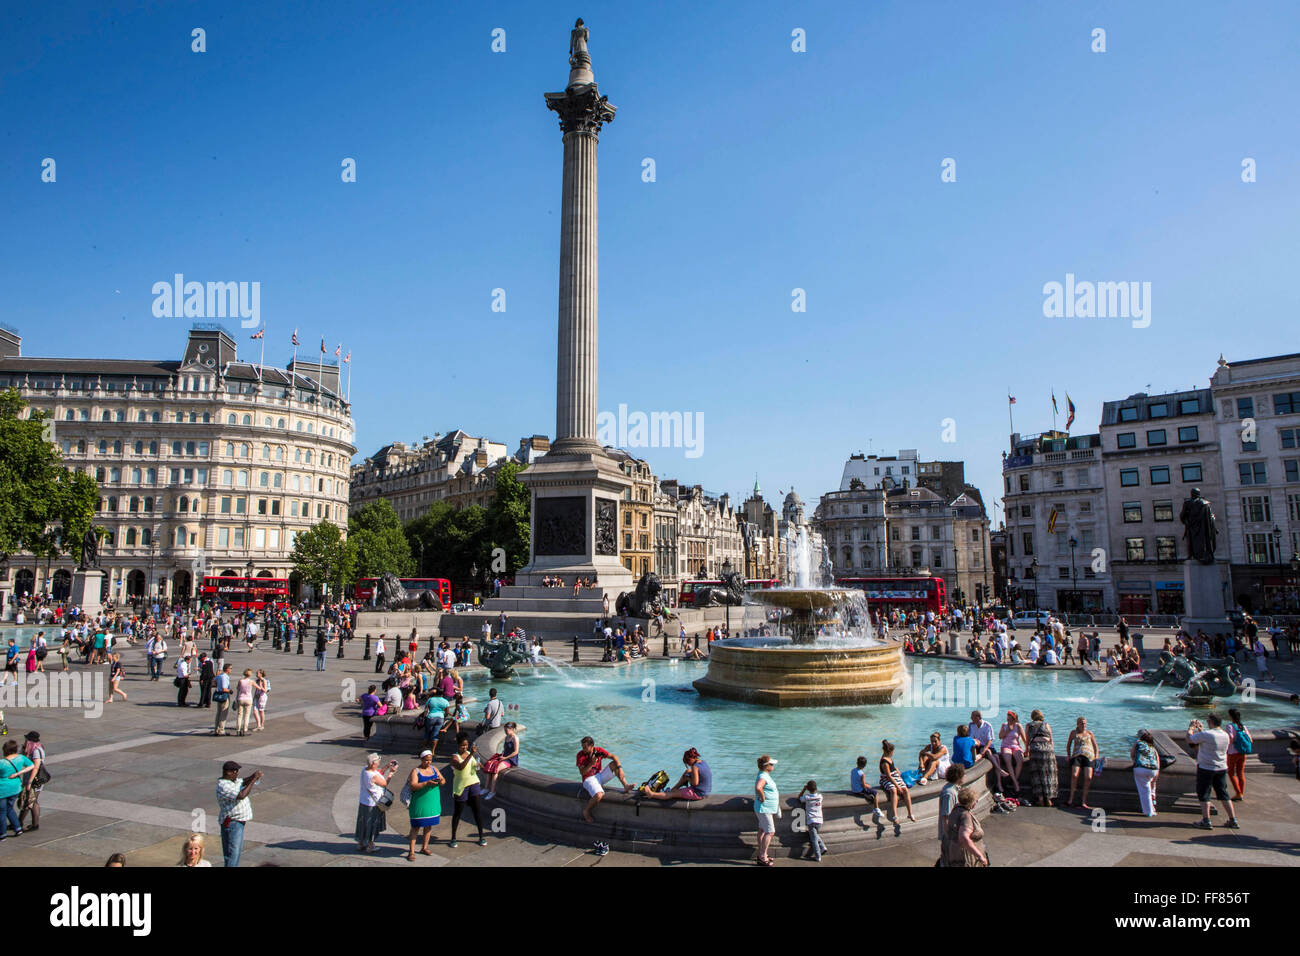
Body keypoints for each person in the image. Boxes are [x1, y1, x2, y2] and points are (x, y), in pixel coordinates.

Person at [1187, 715, 1239, 830]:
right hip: (1221, 768)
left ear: (1210, 721)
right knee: (1223, 794)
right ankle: (1233, 820)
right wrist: (1201, 730)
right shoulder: (1225, 735)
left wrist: (1190, 728)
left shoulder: (1207, 735)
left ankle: (1206, 820)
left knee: (1204, 794)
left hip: (1206, 768)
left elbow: (1189, 739)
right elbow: (1209, 740)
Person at [215, 761, 261, 867]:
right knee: (233, 854)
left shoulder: (232, 781)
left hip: (237, 822)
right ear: (228, 773)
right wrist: (254, 780)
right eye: (235, 772)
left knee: (233, 853)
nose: (237, 774)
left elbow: (242, 781)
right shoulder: (224, 786)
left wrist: (253, 776)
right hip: (232, 823)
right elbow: (241, 795)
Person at [577, 736, 633, 822]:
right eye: (582, 747)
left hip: (599, 776)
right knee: (599, 795)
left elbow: (614, 756)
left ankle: (625, 785)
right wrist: (591, 764)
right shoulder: (580, 755)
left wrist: (620, 768)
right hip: (588, 779)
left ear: (592, 746)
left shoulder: (598, 751)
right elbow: (582, 772)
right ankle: (586, 811)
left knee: (614, 764)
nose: (583, 749)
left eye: (585, 747)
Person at [448, 732, 487, 848]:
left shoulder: (470, 753)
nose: (465, 747)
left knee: (477, 811)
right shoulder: (454, 757)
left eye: (466, 745)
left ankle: (481, 836)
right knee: (458, 813)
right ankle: (453, 837)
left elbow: (477, 765)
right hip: (461, 787)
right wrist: (471, 755)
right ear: (458, 745)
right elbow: (460, 767)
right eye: (462, 745)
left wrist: (483, 766)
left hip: (474, 783)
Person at [405, 750, 444, 860]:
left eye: (430, 760)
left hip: (433, 802)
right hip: (419, 803)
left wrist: (440, 781)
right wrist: (426, 783)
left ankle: (424, 847)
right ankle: (411, 851)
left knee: (428, 826)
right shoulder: (416, 771)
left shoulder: (434, 769)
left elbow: (443, 780)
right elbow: (413, 785)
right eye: (426, 760)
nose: (428, 762)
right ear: (421, 759)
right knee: (416, 827)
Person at [356, 753, 399, 853]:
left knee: (363, 823)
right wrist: (391, 773)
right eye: (378, 761)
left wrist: (387, 766)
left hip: (364, 801)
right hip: (373, 804)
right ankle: (370, 845)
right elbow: (384, 783)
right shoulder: (373, 776)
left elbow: (379, 772)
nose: (379, 762)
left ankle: (361, 842)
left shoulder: (364, 769)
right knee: (372, 823)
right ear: (373, 763)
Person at [640, 746, 712, 801]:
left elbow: (695, 783)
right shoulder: (702, 762)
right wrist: (687, 775)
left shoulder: (694, 766)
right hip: (705, 791)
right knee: (687, 772)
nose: (688, 765)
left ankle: (652, 794)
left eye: (687, 763)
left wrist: (687, 778)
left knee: (671, 794)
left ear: (690, 760)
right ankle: (675, 788)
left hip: (698, 793)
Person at [943, 787, 989, 867]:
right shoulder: (965, 816)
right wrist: (980, 856)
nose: (977, 802)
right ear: (969, 802)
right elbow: (964, 838)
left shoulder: (956, 809)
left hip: (954, 851)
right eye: (975, 800)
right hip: (965, 857)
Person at [1, 739, 35, 839]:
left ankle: (2, 834)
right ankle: (18, 828)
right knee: (9, 808)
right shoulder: (21, 758)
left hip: (2, 790)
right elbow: (32, 765)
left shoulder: (2, 763)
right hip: (15, 788)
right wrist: (18, 773)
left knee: (2, 811)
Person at [1065, 716, 1100, 809]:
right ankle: (1071, 799)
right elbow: (1068, 745)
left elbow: (1096, 746)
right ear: (1078, 724)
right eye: (1081, 723)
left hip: (1088, 757)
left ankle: (1083, 801)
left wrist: (1096, 757)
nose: (1084, 724)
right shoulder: (1073, 733)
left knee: (1088, 777)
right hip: (1077, 756)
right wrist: (1068, 755)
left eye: (1085, 723)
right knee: (1074, 775)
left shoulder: (1089, 733)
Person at [1024, 709, 1057, 807]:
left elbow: (1027, 740)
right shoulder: (1046, 724)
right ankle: (1049, 799)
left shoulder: (1029, 725)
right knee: (1049, 774)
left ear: (1032, 716)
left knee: (1037, 774)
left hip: (1035, 749)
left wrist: (1026, 751)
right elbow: (1051, 740)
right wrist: (1052, 751)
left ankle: (1041, 799)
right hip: (1047, 749)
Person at [878, 740, 916, 823]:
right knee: (893, 790)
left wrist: (896, 770)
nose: (893, 753)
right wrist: (897, 786)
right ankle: (895, 815)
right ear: (889, 751)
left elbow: (892, 769)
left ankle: (910, 813)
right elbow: (888, 776)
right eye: (893, 751)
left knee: (905, 790)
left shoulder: (888, 757)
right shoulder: (885, 762)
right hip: (887, 779)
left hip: (894, 776)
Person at [481, 722, 521, 799]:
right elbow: (505, 749)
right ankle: (486, 788)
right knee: (490, 765)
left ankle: (492, 792)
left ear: (512, 729)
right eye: (504, 730)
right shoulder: (507, 737)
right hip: (504, 757)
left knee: (496, 769)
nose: (505, 732)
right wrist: (502, 755)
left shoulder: (515, 738)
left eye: (507, 730)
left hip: (510, 759)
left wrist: (505, 758)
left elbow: (516, 752)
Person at [753, 755, 780, 866]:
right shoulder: (763, 776)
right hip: (764, 809)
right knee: (770, 832)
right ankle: (763, 857)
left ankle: (762, 854)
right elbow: (758, 787)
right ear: (766, 766)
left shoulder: (764, 774)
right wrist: (763, 797)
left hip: (765, 808)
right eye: (771, 764)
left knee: (762, 830)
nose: (773, 765)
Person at [937, 763, 966, 864]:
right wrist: (949, 837)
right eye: (964, 774)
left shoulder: (954, 789)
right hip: (950, 835)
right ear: (959, 776)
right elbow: (946, 817)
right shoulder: (949, 793)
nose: (965, 776)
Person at [17, 731, 45, 833]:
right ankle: (29, 823)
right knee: (32, 801)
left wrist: (29, 782)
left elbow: (36, 767)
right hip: (34, 780)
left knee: (30, 801)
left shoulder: (36, 751)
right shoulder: (33, 749)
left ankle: (26, 823)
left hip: (34, 781)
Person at [1131, 729, 1160, 817]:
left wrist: (1135, 762)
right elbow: (1157, 761)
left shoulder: (1138, 743)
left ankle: (1148, 812)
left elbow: (1132, 754)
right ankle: (1152, 809)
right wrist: (1156, 775)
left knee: (1144, 791)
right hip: (1153, 770)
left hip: (1141, 769)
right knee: (1149, 789)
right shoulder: (1153, 748)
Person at [1224, 707, 1251, 801]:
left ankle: (1238, 793)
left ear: (1231, 716)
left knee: (1231, 773)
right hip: (1243, 753)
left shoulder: (1230, 726)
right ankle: (1241, 793)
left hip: (1232, 753)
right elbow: (1250, 740)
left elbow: (1230, 739)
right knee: (1240, 773)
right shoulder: (1243, 726)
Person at [998, 710, 1027, 794]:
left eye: (1011, 720)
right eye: (1008, 719)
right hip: (1006, 746)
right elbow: (1000, 737)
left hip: (1016, 746)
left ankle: (1014, 779)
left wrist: (1027, 750)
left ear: (1015, 720)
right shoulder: (1004, 725)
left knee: (1020, 760)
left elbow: (1025, 739)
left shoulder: (1018, 726)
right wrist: (1007, 731)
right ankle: (1015, 783)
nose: (1009, 721)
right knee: (1008, 761)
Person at [798, 780, 827, 861]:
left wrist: (804, 789)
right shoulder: (820, 797)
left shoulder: (807, 798)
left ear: (808, 788)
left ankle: (818, 856)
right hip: (819, 820)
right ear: (816, 788)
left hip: (811, 820)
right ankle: (823, 847)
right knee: (815, 835)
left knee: (814, 839)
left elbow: (799, 797)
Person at [212, 663, 233, 735]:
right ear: (227, 669)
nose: (231, 670)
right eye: (230, 668)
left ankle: (216, 729)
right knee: (223, 713)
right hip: (224, 695)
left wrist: (218, 685)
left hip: (218, 695)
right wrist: (230, 691)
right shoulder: (225, 676)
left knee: (218, 713)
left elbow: (213, 681)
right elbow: (224, 688)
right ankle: (221, 730)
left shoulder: (220, 675)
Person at [235, 669, 255, 736]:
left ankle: (238, 730)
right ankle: (244, 730)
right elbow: (259, 688)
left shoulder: (241, 681)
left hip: (241, 698)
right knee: (247, 715)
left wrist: (236, 698)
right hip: (248, 699)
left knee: (239, 715)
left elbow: (238, 689)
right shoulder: (251, 681)